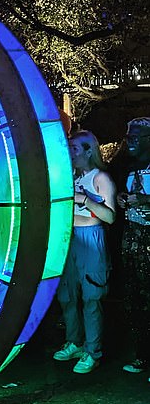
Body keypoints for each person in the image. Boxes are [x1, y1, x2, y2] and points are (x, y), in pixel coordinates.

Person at [53, 130, 116, 374]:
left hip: (91, 238)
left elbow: (109, 216)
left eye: (75, 149)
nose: (70, 154)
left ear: (89, 151)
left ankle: (92, 351)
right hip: (68, 239)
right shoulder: (69, 176)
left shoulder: (100, 178)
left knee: (92, 296)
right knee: (67, 295)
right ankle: (74, 341)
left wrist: (84, 200)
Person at [116, 117, 150, 377]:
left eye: (135, 137)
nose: (129, 142)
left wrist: (145, 199)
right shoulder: (127, 167)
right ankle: (142, 356)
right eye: (128, 137)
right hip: (132, 239)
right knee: (134, 300)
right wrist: (122, 199)